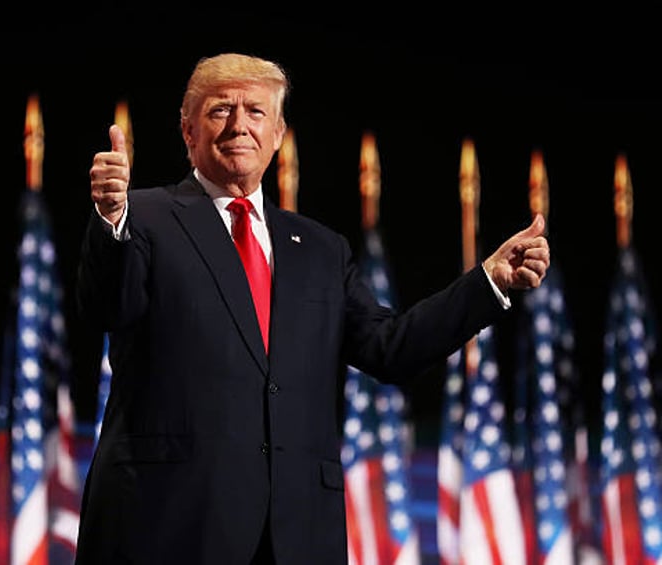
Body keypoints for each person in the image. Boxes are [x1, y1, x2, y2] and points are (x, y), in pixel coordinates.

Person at [74, 52, 549, 565]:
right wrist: (111, 221)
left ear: (278, 134)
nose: (239, 125)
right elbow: (106, 308)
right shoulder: (142, 216)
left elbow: (390, 348)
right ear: (188, 131)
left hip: (295, 533)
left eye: (256, 112)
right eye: (220, 111)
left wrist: (487, 283)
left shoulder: (320, 249)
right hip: (168, 524)